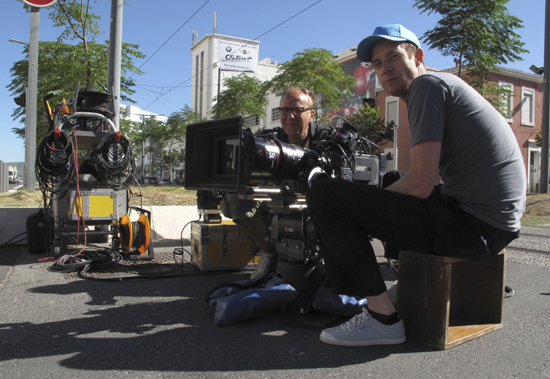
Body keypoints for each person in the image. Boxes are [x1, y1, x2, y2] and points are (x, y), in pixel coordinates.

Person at [306, 24, 526, 347]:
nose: (385, 69)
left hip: (476, 228)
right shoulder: (440, 86)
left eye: (393, 56)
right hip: (491, 223)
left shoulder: (426, 86)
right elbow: (425, 180)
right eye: (378, 64)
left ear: (418, 56)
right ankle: (408, 281)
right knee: (394, 179)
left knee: (324, 194)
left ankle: (383, 319)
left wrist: (362, 213)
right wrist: (373, 207)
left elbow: (422, 184)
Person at [221, 86, 330, 279]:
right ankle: (268, 253)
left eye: (297, 110)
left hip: (315, 205)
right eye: (285, 110)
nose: (290, 116)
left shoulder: (326, 140)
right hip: (275, 202)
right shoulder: (268, 139)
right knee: (235, 197)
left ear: (312, 114)